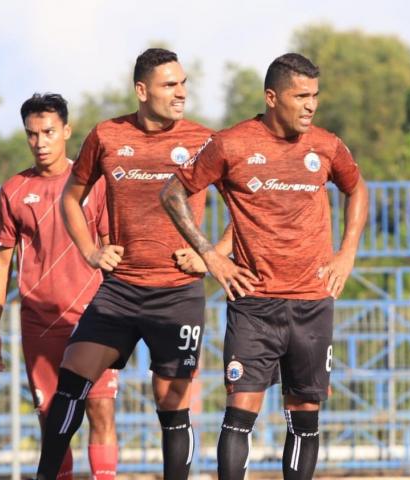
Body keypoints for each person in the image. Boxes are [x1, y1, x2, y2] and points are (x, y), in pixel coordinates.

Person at [160, 53, 369, 480]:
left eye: (315, 96)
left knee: (304, 415)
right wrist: (211, 255)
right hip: (254, 303)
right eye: (301, 96)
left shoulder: (325, 145)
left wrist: (346, 253)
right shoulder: (231, 144)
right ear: (272, 98)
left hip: (312, 302)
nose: (310, 105)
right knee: (241, 411)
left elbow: (357, 187)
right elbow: (172, 193)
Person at [35, 48, 223, 480]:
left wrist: (211, 254)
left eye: (183, 83)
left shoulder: (204, 140)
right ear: (142, 90)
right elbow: (70, 197)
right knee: (71, 380)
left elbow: (247, 207)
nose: (181, 93)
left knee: (172, 404)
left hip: (177, 295)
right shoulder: (106, 136)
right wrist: (90, 251)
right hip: (119, 292)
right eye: (169, 85)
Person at [0, 93, 120, 480]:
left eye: (48, 132)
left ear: (66, 131)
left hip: (94, 318)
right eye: (32, 134)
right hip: (40, 324)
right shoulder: (13, 190)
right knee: (52, 422)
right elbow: (2, 261)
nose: (40, 142)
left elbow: (112, 249)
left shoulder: (93, 184)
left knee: (100, 408)